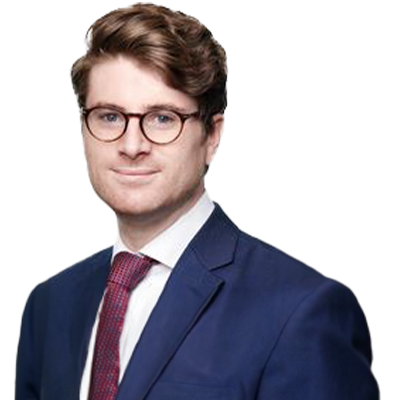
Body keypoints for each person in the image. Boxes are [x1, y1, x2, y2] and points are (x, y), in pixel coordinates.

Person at [15, 3, 379, 400]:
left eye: (163, 118)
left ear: (211, 136)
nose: (132, 145)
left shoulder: (300, 310)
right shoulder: (49, 306)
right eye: (109, 116)